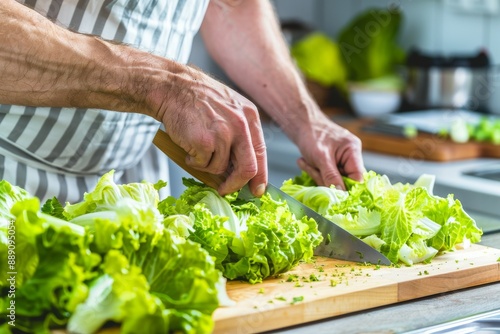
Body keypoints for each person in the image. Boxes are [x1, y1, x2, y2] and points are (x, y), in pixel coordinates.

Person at [0, 0, 364, 203]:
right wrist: (162, 86)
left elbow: (231, 6)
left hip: (131, 184)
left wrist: (305, 120)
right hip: (10, 174)